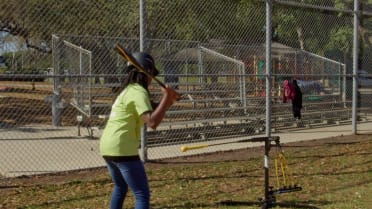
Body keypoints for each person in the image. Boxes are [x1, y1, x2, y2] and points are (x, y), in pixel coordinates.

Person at [99, 51, 180, 209]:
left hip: (108, 147)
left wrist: (169, 100)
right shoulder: (138, 92)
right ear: (147, 71)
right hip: (122, 148)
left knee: (121, 187)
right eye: (152, 74)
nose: (151, 79)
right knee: (142, 193)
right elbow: (152, 122)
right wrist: (166, 97)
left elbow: (154, 110)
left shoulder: (128, 91)